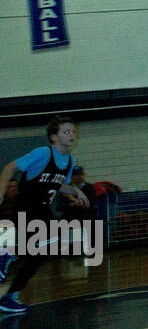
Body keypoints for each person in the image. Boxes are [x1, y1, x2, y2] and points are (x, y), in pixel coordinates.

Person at [0, 116, 90, 314]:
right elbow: (10, 168)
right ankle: (7, 254)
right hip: (27, 204)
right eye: (66, 131)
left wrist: (75, 193)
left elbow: (58, 185)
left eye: (73, 131)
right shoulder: (43, 153)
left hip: (42, 208)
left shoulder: (70, 161)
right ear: (53, 137)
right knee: (54, 237)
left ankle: (10, 296)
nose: (72, 134)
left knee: (38, 255)